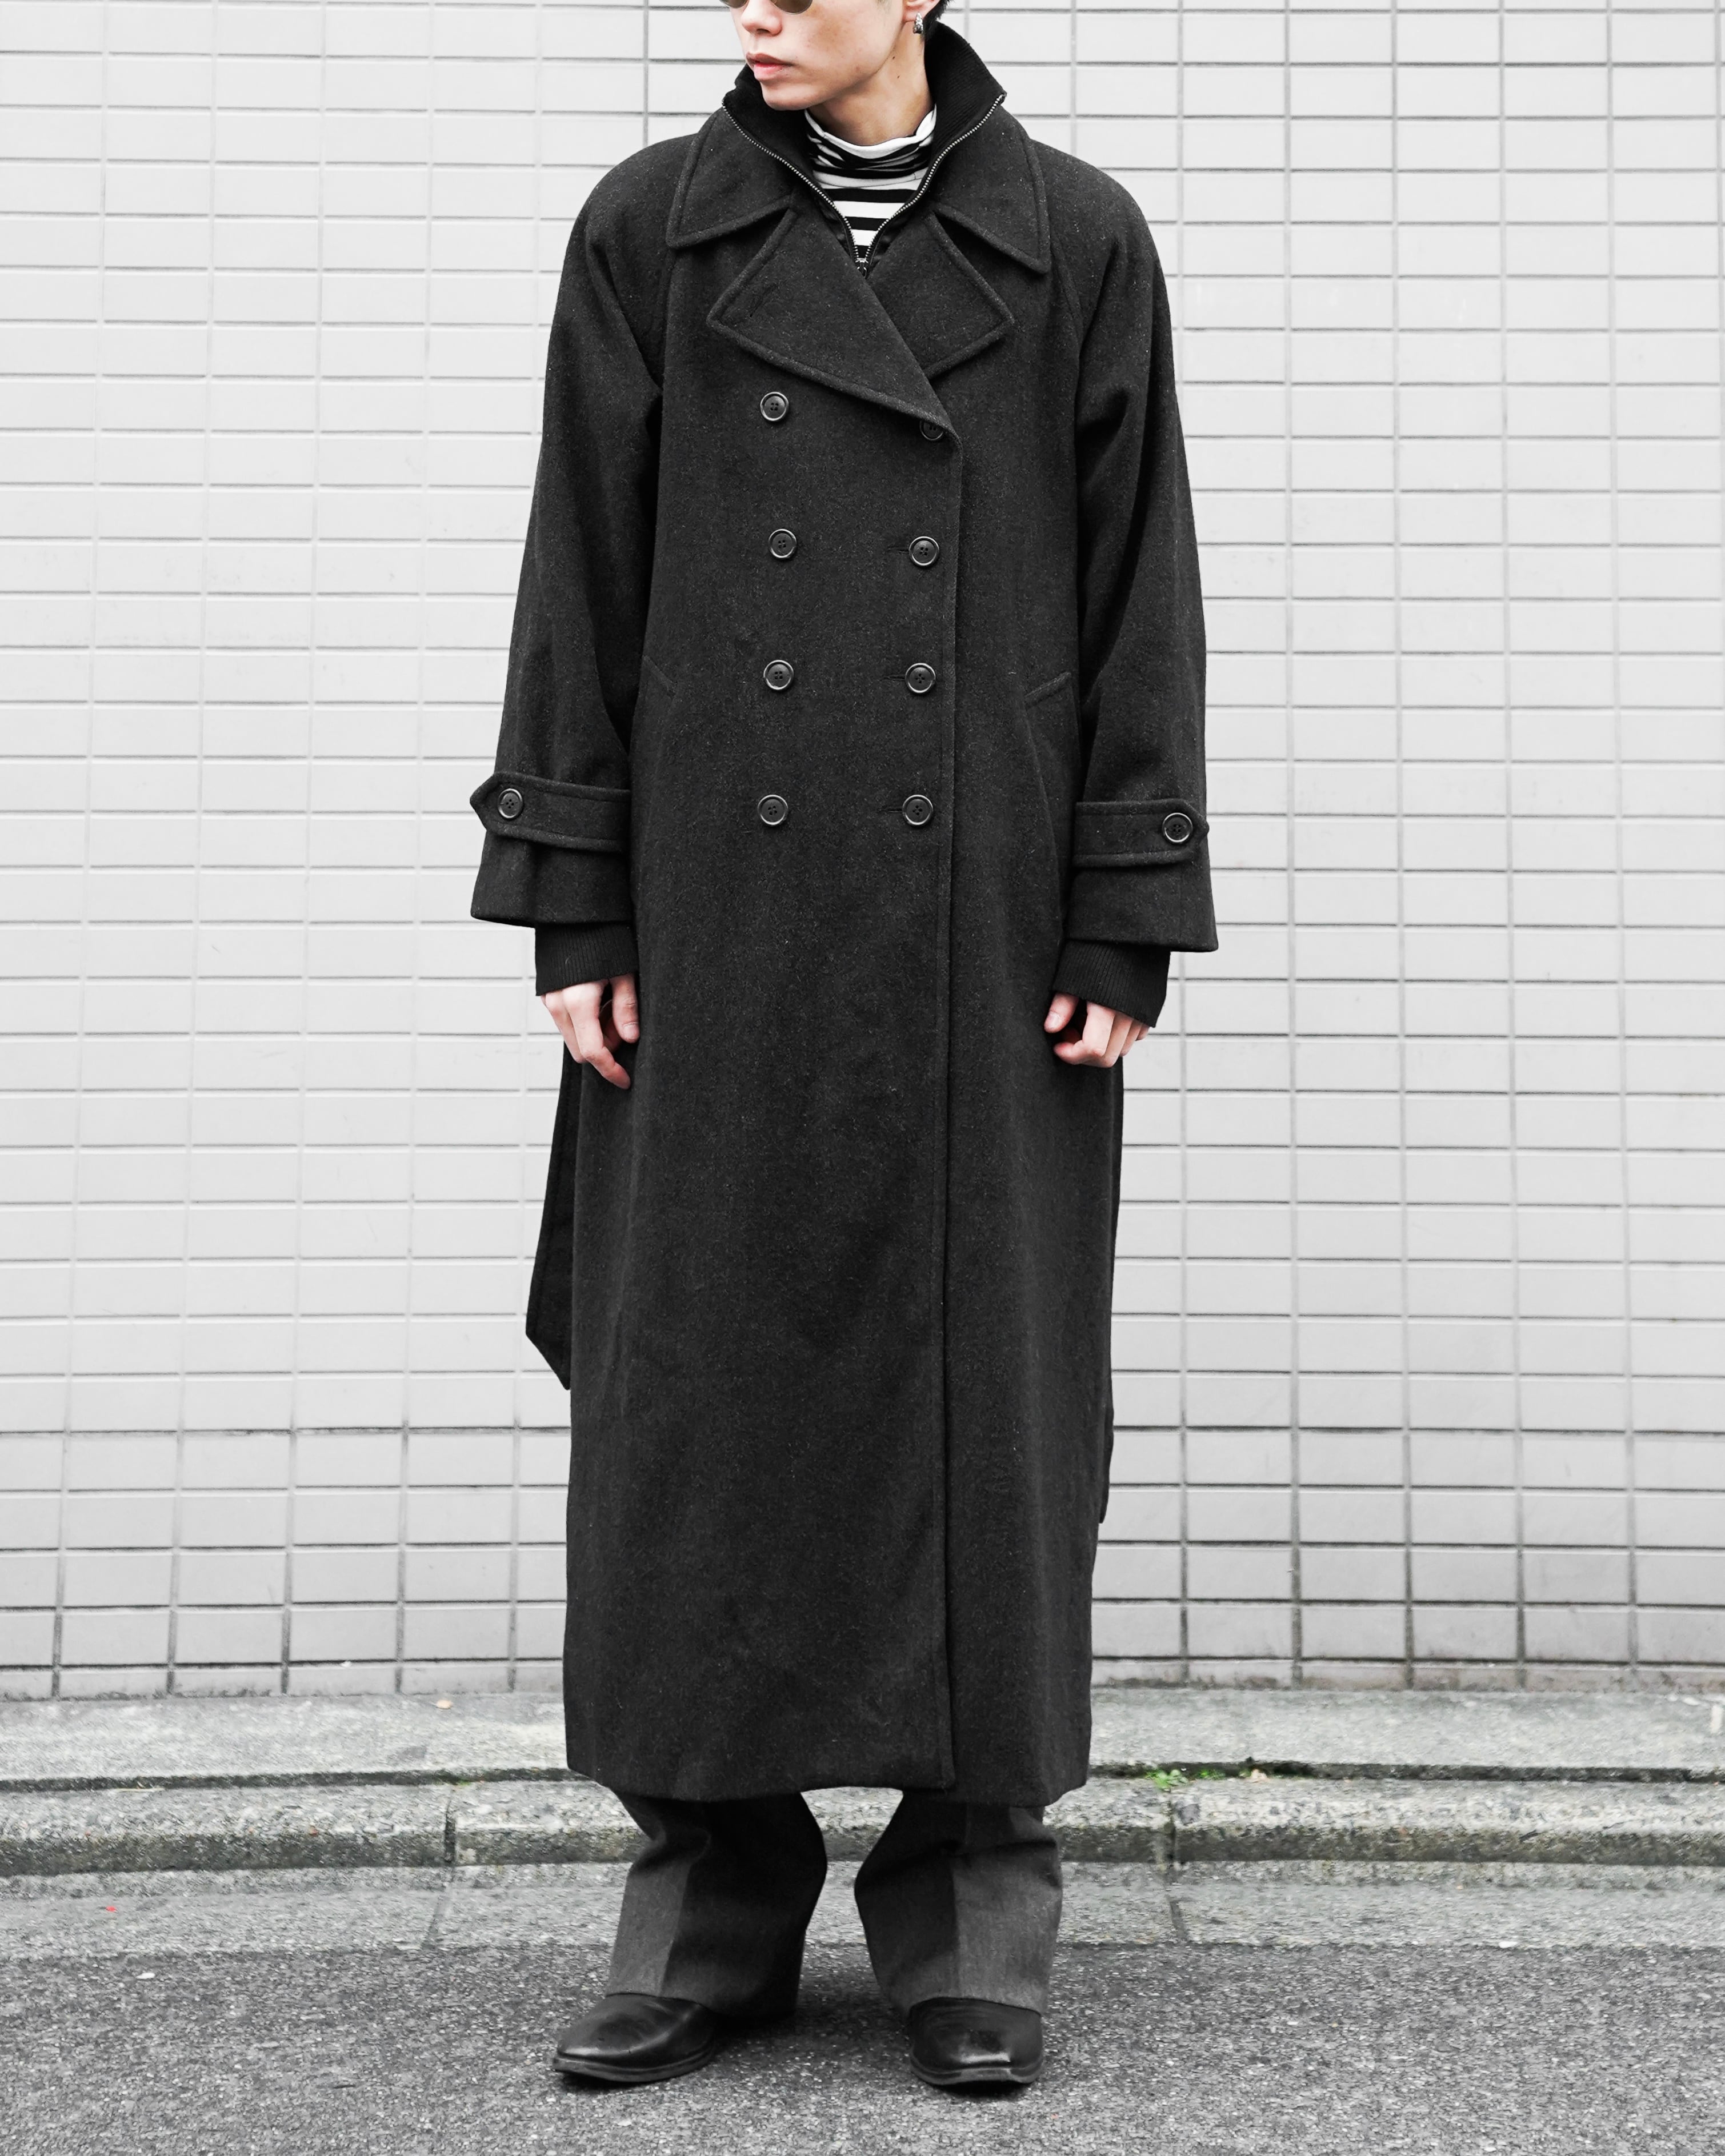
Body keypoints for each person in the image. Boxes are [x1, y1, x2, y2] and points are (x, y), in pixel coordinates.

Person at [467, 0, 1214, 2094]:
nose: (758, 11)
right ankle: (707, 1904)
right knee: (694, 1402)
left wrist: (1124, 902)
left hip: (980, 919)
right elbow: (577, 563)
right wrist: (575, 896)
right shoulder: (654, 229)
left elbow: (1141, 581)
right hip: (718, 911)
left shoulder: (1072, 235)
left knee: (986, 1404)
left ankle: (971, 1912)